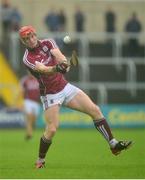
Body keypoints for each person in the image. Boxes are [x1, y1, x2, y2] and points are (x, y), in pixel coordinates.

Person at [19, 25, 132, 169]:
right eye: (26, 39)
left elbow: (60, 57)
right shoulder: (27, 58)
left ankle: (113, 144)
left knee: (95, 110)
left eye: (31, 36)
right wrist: (55, 68)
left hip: (65, 87)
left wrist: (65, 64)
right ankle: (40, 160)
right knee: (52, 129)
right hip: (49, 94)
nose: (30, 40)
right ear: (23, 42)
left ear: (35, 35)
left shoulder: (48, 42)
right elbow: (43, 69)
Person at [20, 72, 40, 140]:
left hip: (36, 102)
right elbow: (22, 91)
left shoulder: (38, 79)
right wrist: (21, 102)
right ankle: (29, 134)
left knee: (34, 119)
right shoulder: (25, 80)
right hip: (28, 101)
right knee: (29, 117)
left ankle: (31, 129)